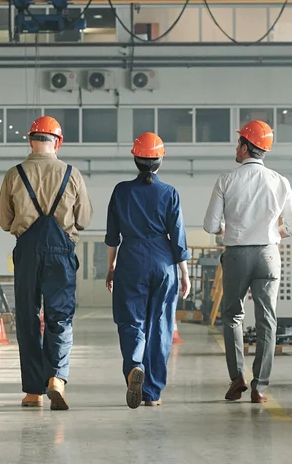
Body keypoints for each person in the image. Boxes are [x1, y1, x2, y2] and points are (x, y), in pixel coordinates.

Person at [0, 115, 93, 410]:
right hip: (61, 254)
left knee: (27, 318)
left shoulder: (14, 174)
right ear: (58, 142)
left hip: (27, 252)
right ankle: (57, 379)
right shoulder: (72, 174)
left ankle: (33, 392)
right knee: (59, 318)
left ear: (30, 140)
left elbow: (3, 219)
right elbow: (85, 218)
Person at [204, 120, 292, 404]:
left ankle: (238, 378)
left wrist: (229, 229)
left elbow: (211, 225)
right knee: (267, 321)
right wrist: (272, 233)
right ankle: (260, 387)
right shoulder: (280, 181)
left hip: (236, 255)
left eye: (238, 144)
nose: (236, 148)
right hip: (269, 255)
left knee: (233, 316)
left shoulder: (226, 180)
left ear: (246, 147)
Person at [104, 132, 191, 410]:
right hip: (163, 262)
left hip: (131, 258)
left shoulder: (121, 191)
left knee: (131, 320)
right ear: (160, 160)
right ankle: (152, 392)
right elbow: (178, 237)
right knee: (161, 325)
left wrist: (111, 267)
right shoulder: (169, 193)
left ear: (135, 158)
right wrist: (185, 273)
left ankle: (133, 367)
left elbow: (112, 235)